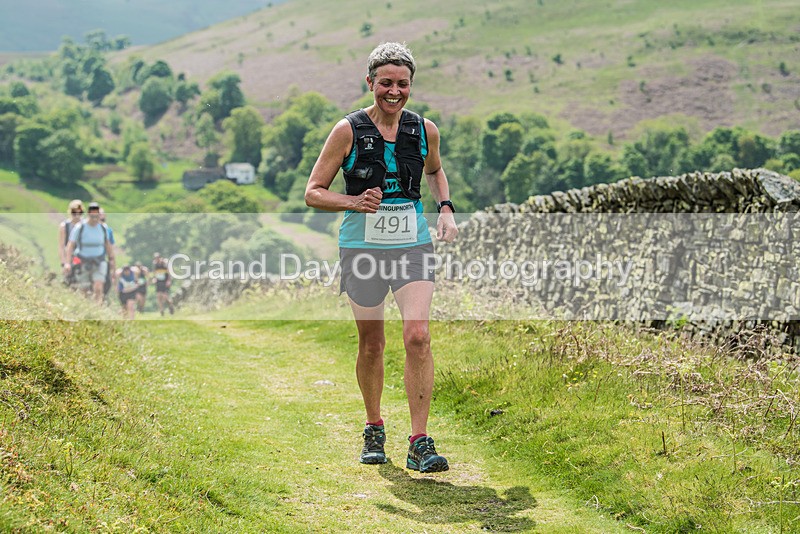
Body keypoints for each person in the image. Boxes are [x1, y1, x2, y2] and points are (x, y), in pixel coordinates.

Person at [305, 42, 458, 473]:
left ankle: (420, 441)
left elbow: (434, 171)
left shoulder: (424, 129)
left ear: (411, 86)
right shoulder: (347, 130)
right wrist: (353, 203)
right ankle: (374, 428)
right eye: (386, 83)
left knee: (418, 336)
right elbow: (313, 192)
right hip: (362, 247)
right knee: (372, 343)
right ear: (369, 82)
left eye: (403, 84)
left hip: (411, 244)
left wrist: (445, 208)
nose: (394, 91)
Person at [63, 202, 116, 304]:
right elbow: (70, 246)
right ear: (88, 214)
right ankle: (86, 310)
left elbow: (108, 246)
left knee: (98, 287)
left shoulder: (103, 228)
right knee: (84, 288)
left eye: (96, 215)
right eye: (92, 215)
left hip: (99, 261)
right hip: (82, 261)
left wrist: (112, 261)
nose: (94, 218)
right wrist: (67, 263)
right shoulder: (80, 227)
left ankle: (97, 309)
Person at [59, 200, 84, 284]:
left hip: (82, 257)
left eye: (79, 213)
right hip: (69, 257)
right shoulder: (64, 226)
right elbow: (61, 246)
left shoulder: (85, 226)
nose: (77, 216)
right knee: (69, 281)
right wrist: (64, 263)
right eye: (74, 213)